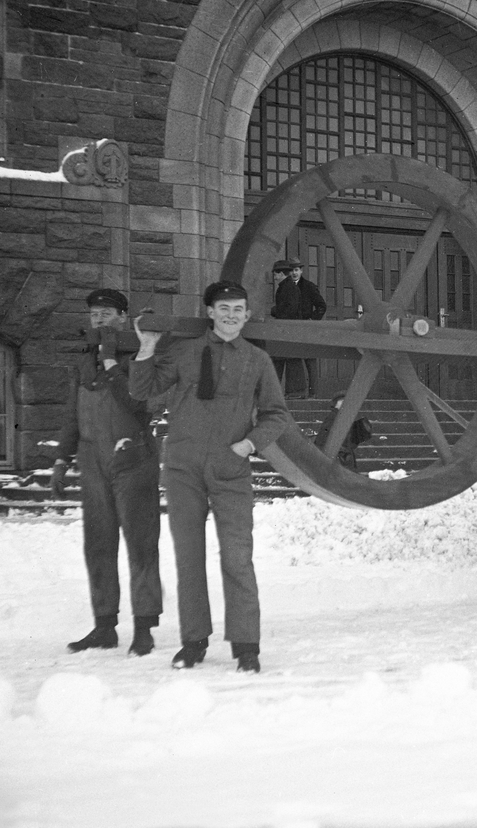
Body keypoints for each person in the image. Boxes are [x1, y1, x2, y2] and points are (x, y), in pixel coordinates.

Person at [130, 281, 290, 673]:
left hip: (230, 468)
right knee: (189, 557)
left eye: (238, 309)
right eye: (224, 308)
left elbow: (277, 414)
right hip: (183, 468)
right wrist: (147, 348)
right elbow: (141, 390)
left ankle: (246, 646)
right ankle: (193, 642)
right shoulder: (183, 352)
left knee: (237, 557)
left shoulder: (256, 360)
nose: (232, 315)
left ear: (247, 315)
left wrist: (249, 445)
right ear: (210, 312)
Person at [54, 289, 163, 657]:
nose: (99, 319)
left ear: (122, 316)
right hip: (92, 463)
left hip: (132, 460)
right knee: (98, 546)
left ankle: (145, 628)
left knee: (141, 545)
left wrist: (113, 360)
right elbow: (72, 414)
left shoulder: (141, 356)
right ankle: (104, 626)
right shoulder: (83, 361)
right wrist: (61, 459)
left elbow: (140, 404)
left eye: (106, 313)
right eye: (94, 314)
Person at [270, 257, 327, 398]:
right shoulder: (286, 287)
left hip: (305, 328)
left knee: (309, 360)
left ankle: (313, 394)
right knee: (292, 358)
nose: (294, 273)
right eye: (292, 270)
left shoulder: (308, 286)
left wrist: (310, 321)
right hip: (292, 328)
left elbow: (321, 306)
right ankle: (296, 391)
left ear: (301, 271)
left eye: (296, 270)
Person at [313, 391, 372, 471]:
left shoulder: (340, 417)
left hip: (343, 457)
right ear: (337, 403)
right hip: (339, 458)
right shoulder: (333, 418)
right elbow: (322, 440)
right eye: (344, 402)